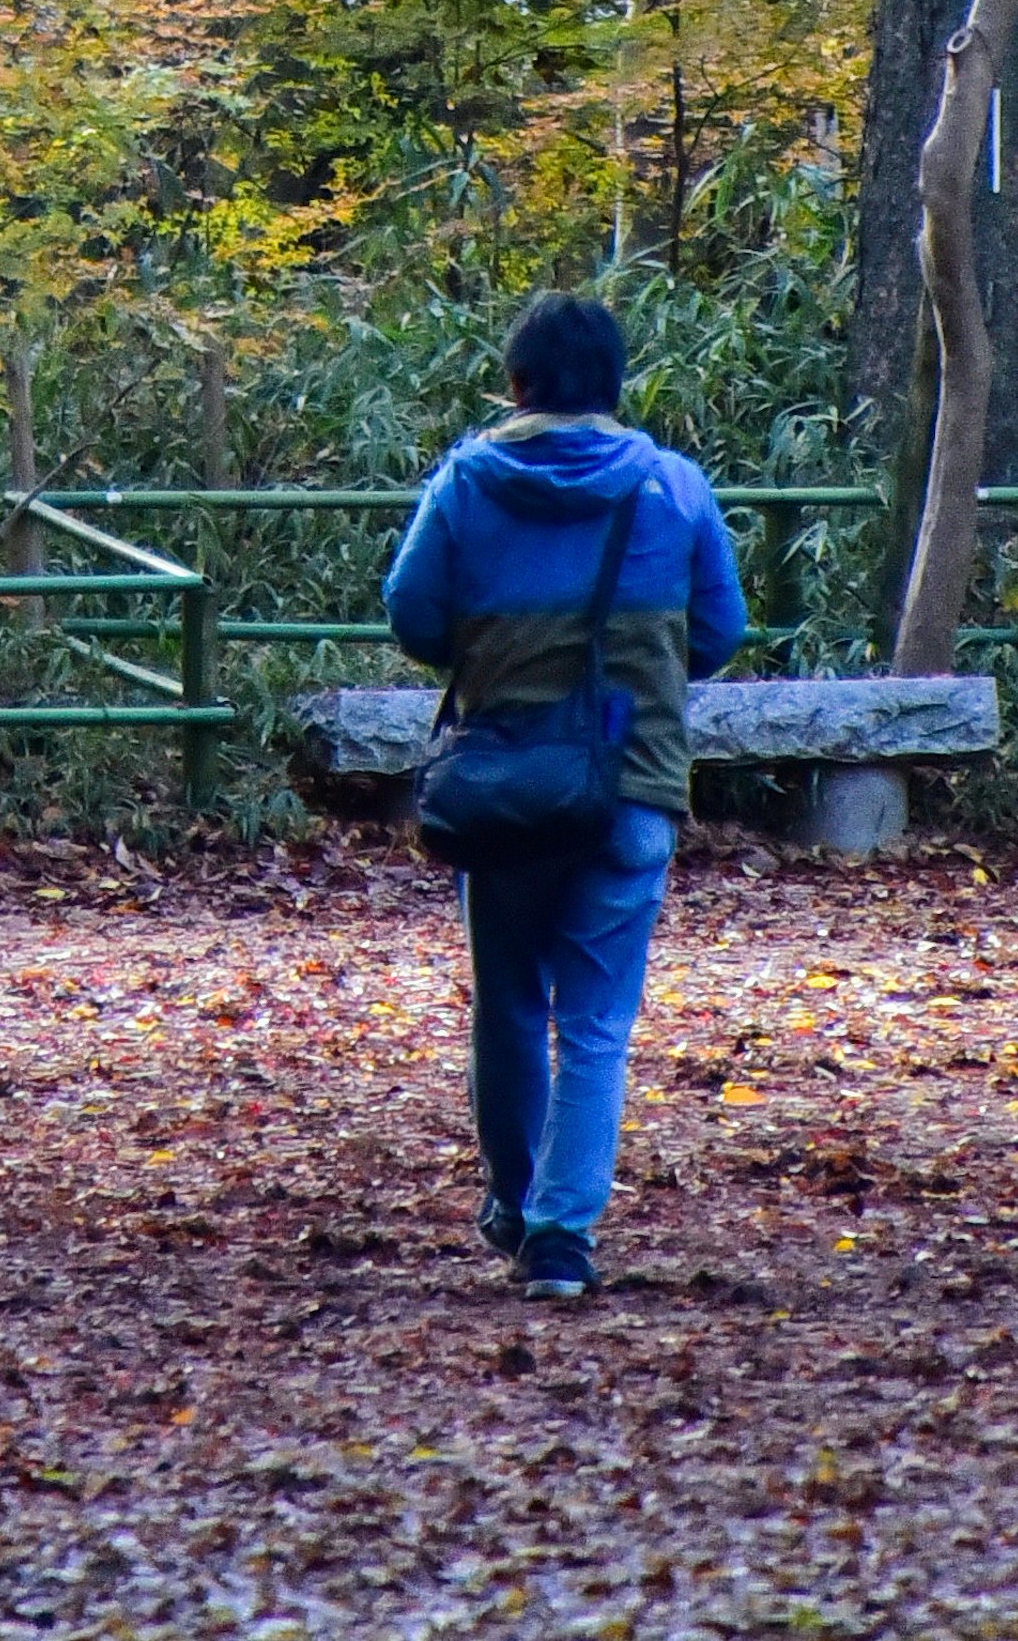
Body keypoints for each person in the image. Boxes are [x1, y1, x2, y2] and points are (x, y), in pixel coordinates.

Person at [383, 291, 746, 1301]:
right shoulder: (673, 487)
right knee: (594, 1017)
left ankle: (513, 1200)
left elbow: (412, 615)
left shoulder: (466, 480)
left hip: (504, 781)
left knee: (507, 998)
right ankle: (560, 1235)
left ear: (518, 381)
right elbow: (719, 628)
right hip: (630, 780)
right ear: (615, 382)